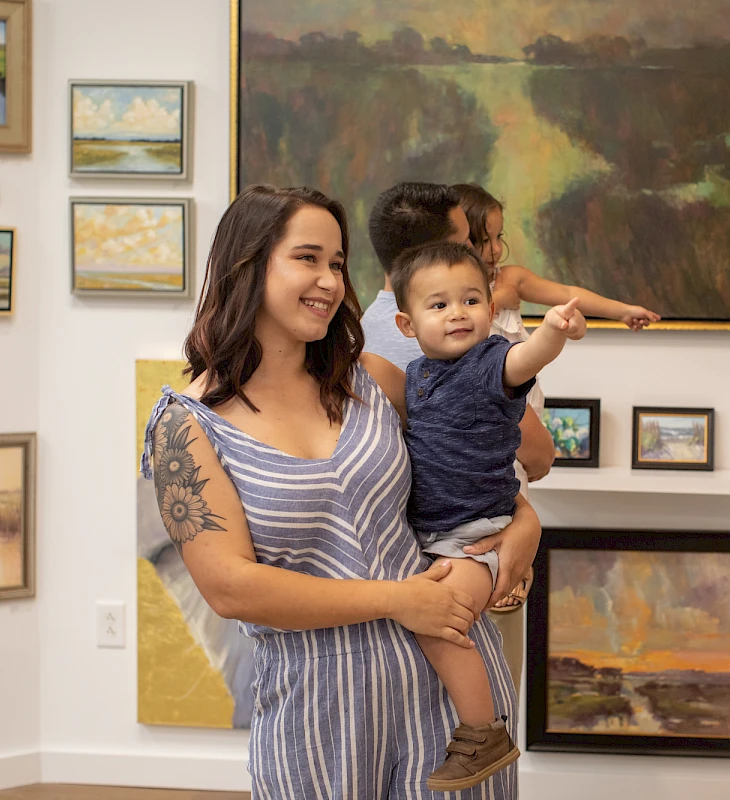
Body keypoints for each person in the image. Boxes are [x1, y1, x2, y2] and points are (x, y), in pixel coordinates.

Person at [141, 185, 537, 798]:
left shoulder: (375, 378)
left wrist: (522, 523)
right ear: (247, 266)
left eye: (337, 262)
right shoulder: (185, 429)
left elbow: (491, 460)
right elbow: (230, 588)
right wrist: (397, 600)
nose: (329, 281)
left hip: (454, 701)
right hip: (316, 716)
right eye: (307, 258)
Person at [390, 241, 585, 789]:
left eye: (471, 300)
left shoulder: (488, 363)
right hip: (436, 533)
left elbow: (527, 360)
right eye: (439, 305)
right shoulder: (418, 374)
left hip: (478, 533)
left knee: (441, 622)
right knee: (431, 620)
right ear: (407, 323)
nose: (458, 313)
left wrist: (550, 330)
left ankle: (484, 732)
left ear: (490, 309)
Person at [361, 182, 553, 693]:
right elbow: (538, 455)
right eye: (468, 240)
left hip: (401, 568)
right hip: (480, 553)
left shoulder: (357, 337)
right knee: (486, 703)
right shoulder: (462, 343)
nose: (483, 254)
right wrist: (523, 517)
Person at [452, 183, 662, 331]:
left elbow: (567, 292)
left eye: (498, 237)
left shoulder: (509, 278)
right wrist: (499, 299)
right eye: (484, 240)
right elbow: (460, 319)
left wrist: (623, 311)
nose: (496, 249)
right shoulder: (447, 286)